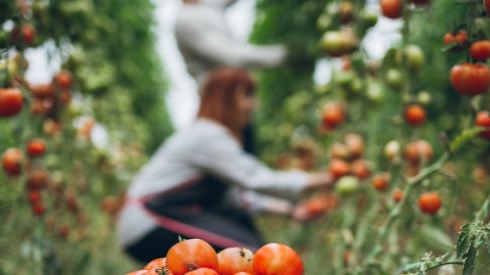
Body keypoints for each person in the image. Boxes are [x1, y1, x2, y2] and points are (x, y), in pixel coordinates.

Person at [116, 68, 331, 264]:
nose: (254, 105)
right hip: (149, 221)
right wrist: (321, 178)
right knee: (249, 256)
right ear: (226, 99)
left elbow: (235, 198)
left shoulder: (208, 135)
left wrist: (291, 210)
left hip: (162, 216)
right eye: (247, 96)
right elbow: (255, 178)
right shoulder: (208, 135)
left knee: (248, 244)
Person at [174, 0, 288, 154]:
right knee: (226, 154)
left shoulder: (208, 6)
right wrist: (284, 55)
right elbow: (228, 56)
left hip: (235, 100)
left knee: (240, 152)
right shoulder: (185, 21)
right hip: (218, 103)